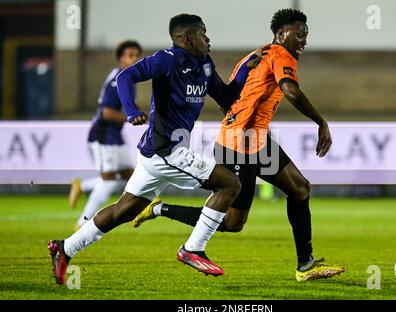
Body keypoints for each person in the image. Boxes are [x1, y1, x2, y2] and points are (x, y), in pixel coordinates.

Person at [48, 13, 267, 285]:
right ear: (186, 38)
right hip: (167, 150)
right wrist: (131, 111)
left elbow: (225, 96)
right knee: (230, 185)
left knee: (124, 211)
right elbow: (126, 77)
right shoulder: (167, 59)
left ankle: (64, 248)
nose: (208, 38)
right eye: (203, 33)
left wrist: (246, 69)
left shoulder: (204, 64)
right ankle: (192, 248)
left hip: (160, 152)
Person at [133, 9, 346, 282]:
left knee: (300, 188)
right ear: (281, 34)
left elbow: (231, 97)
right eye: (299, 34)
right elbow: (290, 89)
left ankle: (305, 265)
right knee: (233, 223)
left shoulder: (253, 55)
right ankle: (160, 209)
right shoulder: (281, 55)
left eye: (306, 35)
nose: (304, 40)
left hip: (254, 140)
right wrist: (321, 122)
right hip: (238, 143)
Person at [68, 40, 143, 230]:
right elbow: (106, 112)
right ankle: (82, 223)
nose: (134, 58)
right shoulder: (117, 79)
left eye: (136, 54)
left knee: (131, 175)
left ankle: (83, 186)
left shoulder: (127, 77)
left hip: (115, 136)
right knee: (109, 182)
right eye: (130, 55)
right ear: (121, 58)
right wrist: (132, 117)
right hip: (103, 136)